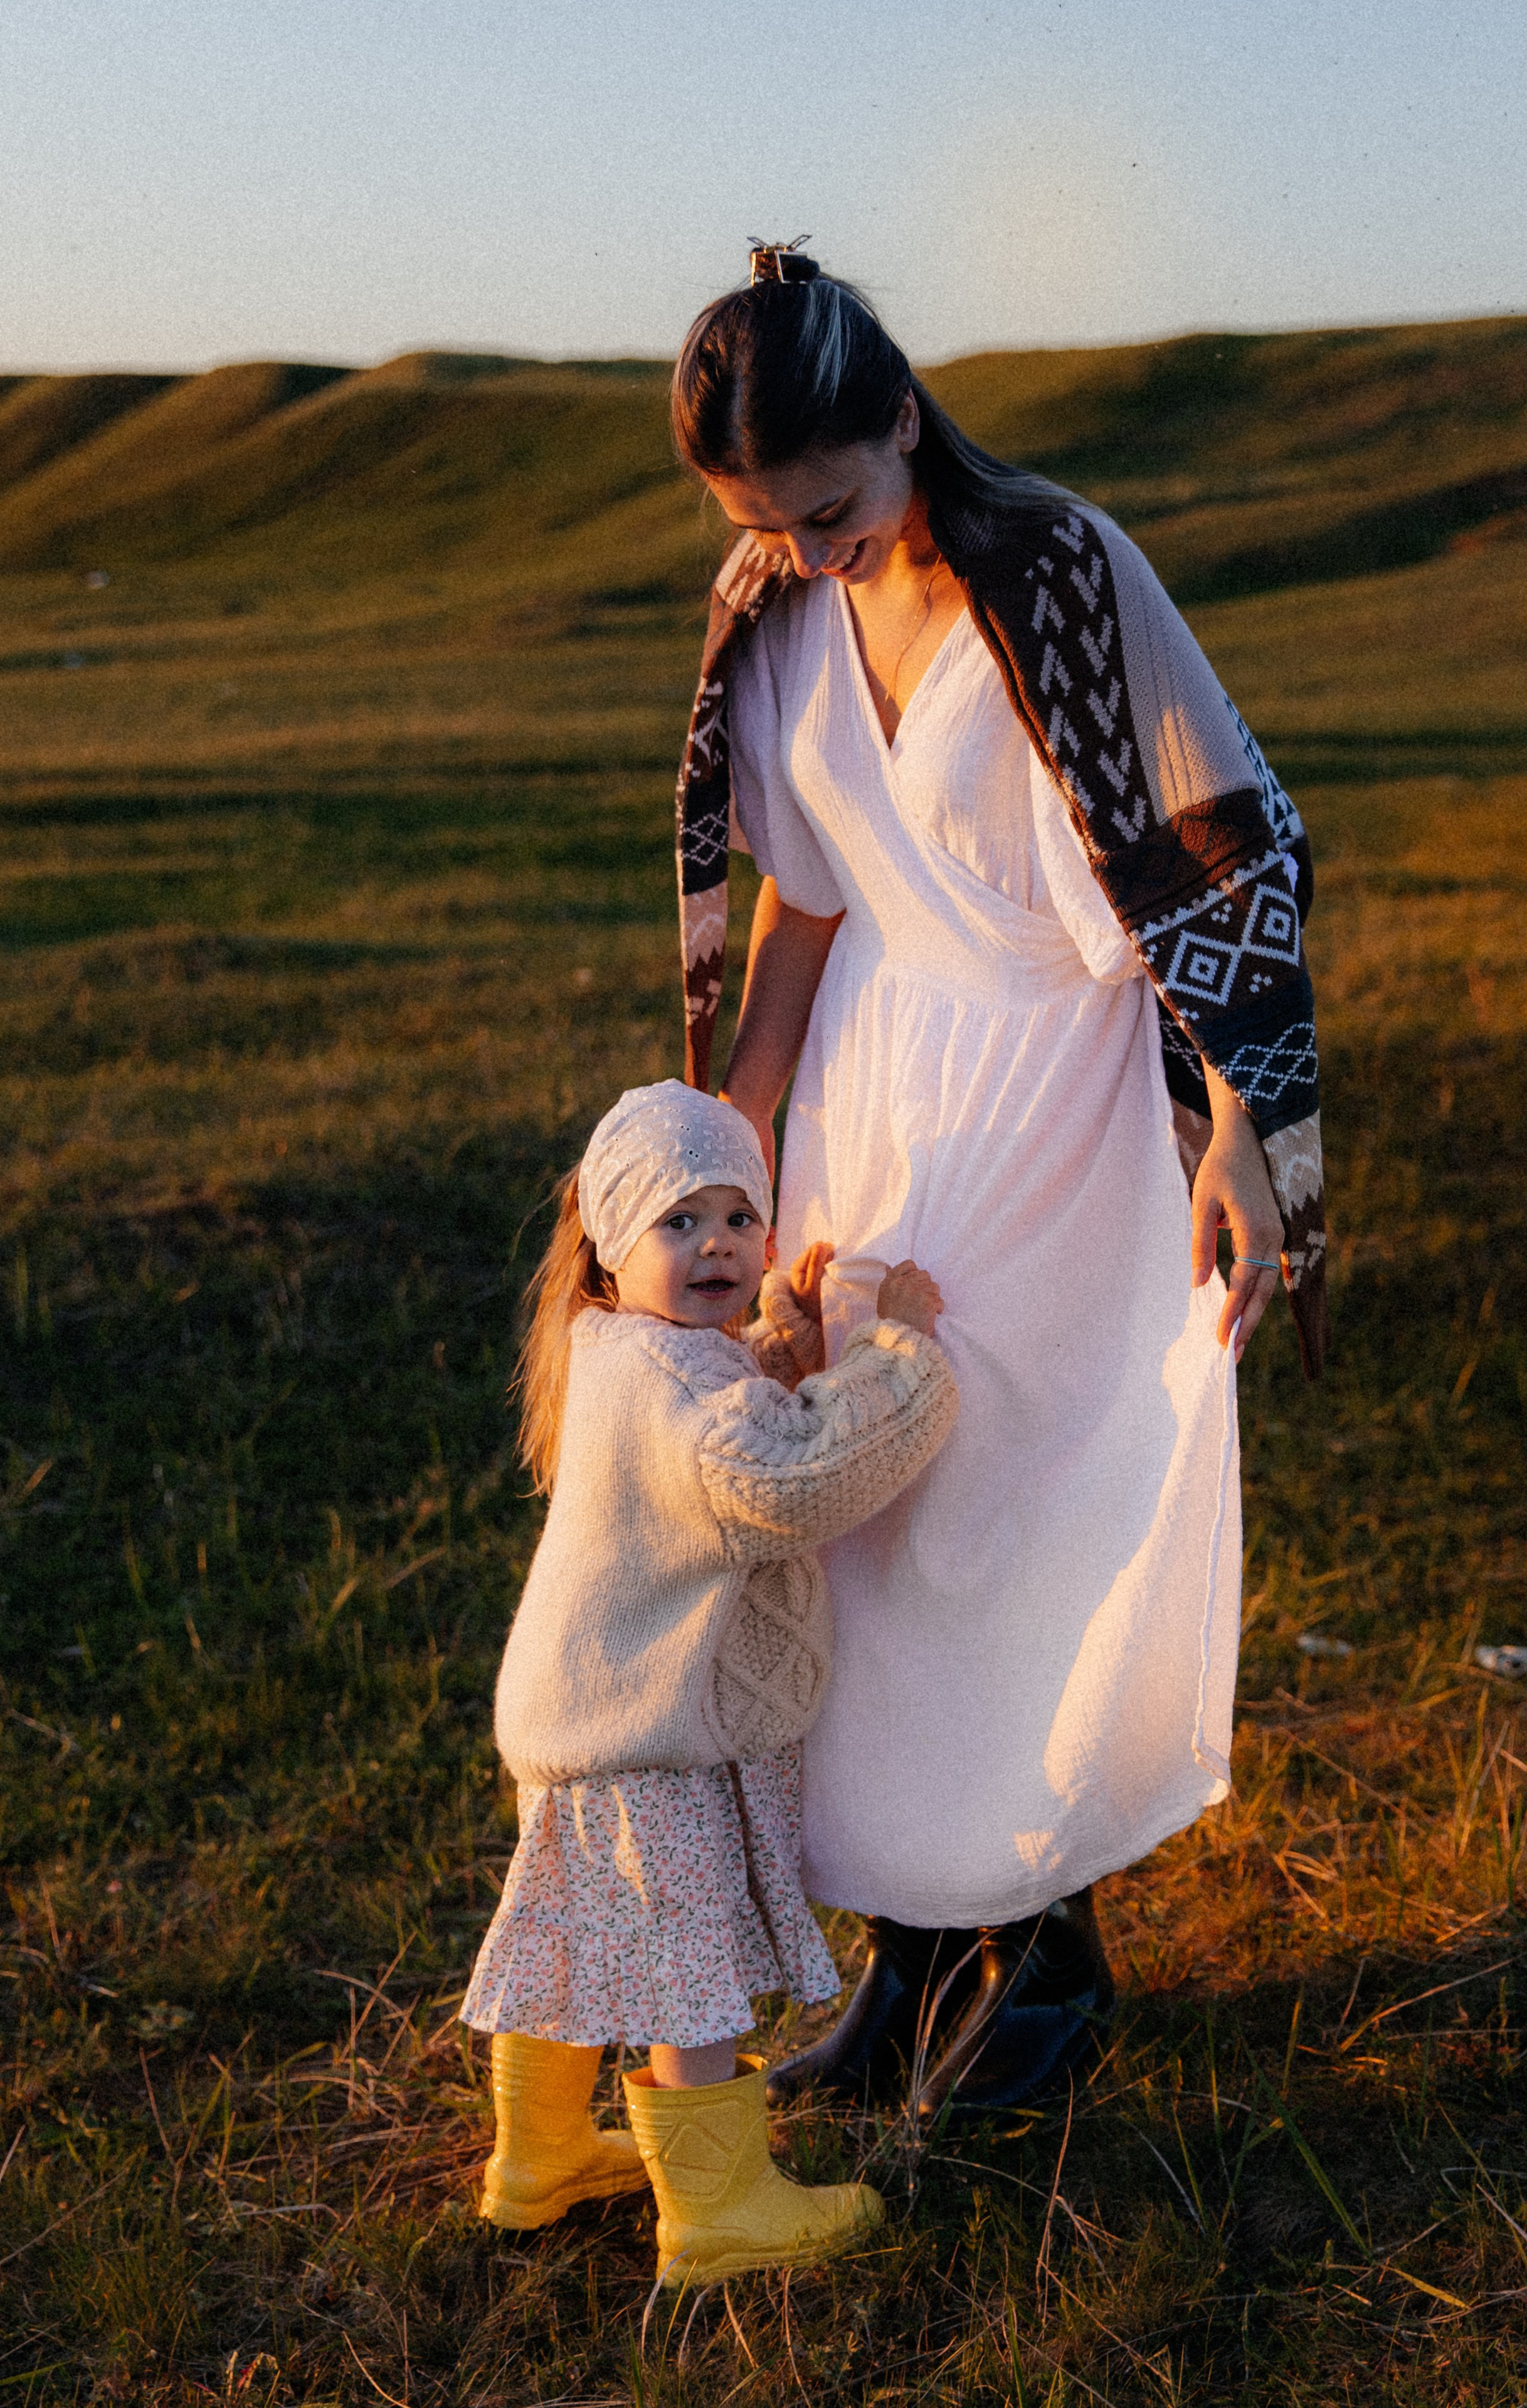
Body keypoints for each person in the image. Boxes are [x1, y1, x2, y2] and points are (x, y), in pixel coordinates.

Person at [665, 244, 1327, 2119]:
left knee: (1005, 1529)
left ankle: (1041, 1978)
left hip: (1049, 1097)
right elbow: (806, 889)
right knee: (857, 1537)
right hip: (875, 1090)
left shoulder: (1059, 568)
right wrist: (745, 1130)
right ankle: (917, 1969)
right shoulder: (778, 600)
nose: (806, 554)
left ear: (900, 421)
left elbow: (1222, 848)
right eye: (764, 526)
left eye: (832, 511)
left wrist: (1238, 1133)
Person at [460, 1079, 958, 2288]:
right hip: (654, 1744)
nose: (718, 1245)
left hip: (582, 1720)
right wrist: (898, 1351)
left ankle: (538, 2161)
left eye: (740, 1218)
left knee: (571, 1937)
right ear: (610, 1245)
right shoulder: (683, 1389)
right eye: (680, 1223)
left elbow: (726, 1438)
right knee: (692, 1967)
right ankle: (721, 2208)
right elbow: (787, 1480)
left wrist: (772, 1357)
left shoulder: (626, 1354)